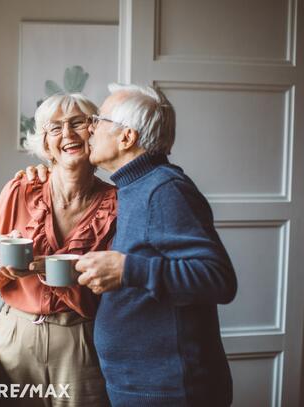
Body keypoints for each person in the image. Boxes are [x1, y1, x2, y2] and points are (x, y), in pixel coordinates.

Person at [24, 84, 237, 407]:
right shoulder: (134, 186)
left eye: (98, 120)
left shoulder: (164, 189)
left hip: (170, 391)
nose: (90, 128)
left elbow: (218, 280)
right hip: (143, 385)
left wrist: (127, 269)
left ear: (127, 137)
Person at [0, 93, 116, 407]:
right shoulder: (20, 190)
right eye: (55, 128)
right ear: (46, 144)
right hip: (18, 339)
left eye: (78, 123)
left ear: (94, 132)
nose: (68, 134)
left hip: (81, 340)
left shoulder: (117, 204)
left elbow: (121, 284)